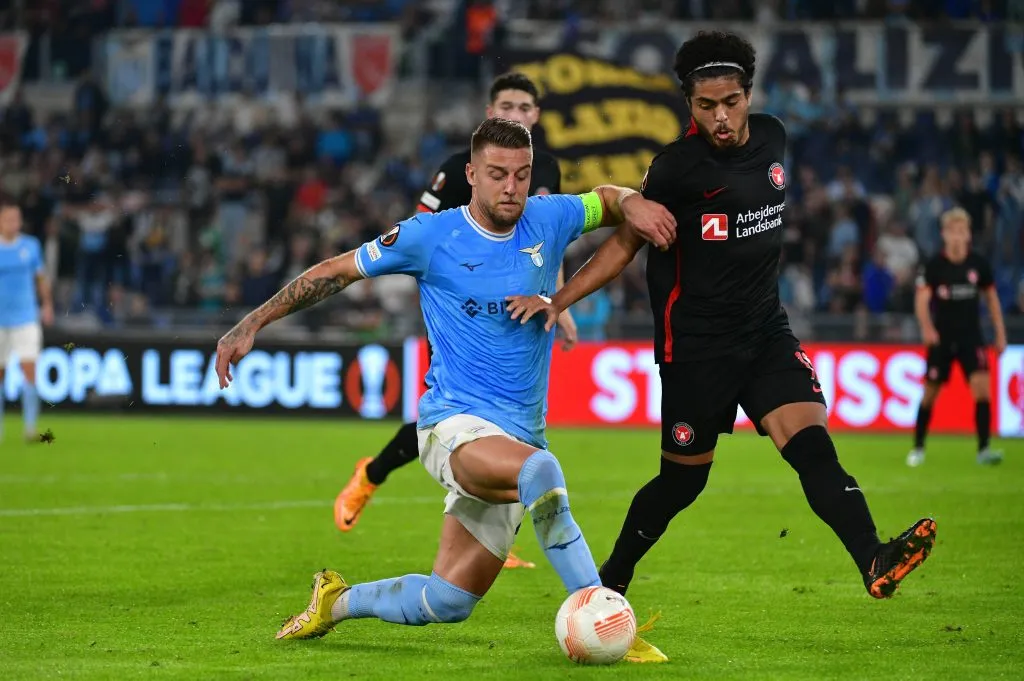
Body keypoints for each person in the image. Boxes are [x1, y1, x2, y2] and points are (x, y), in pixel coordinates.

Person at [507, 32, 937, 662]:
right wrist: (559, 300)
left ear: (749, 97)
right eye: (706, 105)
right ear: (689, 103)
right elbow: (625, 241)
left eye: (731, 102)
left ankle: (872, 557)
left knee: (814, 449)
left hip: (765, 333)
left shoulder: (774, 138)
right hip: (697, 351)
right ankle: (608, 582)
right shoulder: (676, 169)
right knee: (681, 485)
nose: (721, 118)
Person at [214, 118, 677, 659]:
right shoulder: (430, 236)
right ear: (471, 175)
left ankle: (334, 603)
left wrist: (629, 200)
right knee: (542, 473)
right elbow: (337, 271)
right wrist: (254, 321)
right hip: (452, 427)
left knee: (448, 599)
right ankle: (601, 612)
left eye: (523, 175)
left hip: (518, 436)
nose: (512, 188)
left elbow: (605, 201)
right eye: (498, 175)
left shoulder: (550, 219)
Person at [334, 71, 576, 571]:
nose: (516, 113)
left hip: (520, 310)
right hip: (461, 312)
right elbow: (416, 227)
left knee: (507, 423)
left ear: (536, 117)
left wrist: (560, 300)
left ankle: (483, 521)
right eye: (506, 104)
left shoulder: (544, 167)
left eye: (525, 107)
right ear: (491, 112)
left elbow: (546, 241)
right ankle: (373, 474)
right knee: (456, 413)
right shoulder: (456, 167)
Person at [908, 207, 1006, 467]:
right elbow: (921, 300)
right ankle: (918, 447)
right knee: (930, 393)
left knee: (982, 390)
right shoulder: (934, 265)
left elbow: (992, 300)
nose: (957, 236)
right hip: (942, 340)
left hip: (971, 338)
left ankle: (984, 449)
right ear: (944, 234)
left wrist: (1000, 334)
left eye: (962, 231)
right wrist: (927, 328)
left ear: (968, 235)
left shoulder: (978, 265)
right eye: (953, 231)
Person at [0, 197, 53, 443]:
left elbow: (40, 278)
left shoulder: (31, 246)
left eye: (17, 219)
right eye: (9, 219)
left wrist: (47, 304)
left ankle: (30, 428)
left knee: (30, 371)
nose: (14, 223)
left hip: (26, 317)